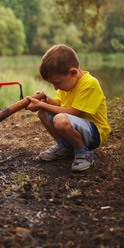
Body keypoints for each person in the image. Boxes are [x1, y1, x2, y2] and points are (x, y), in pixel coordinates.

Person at [26, 44, 110, 172]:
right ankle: (64, 147)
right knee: (43, 113)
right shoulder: (68, 85)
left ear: (73, 72)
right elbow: (59, 103)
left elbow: (73, 112)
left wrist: (42, 104)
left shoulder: (89, 83)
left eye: (57, 83)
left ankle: (85, 153)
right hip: (77, 127)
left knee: (60, 119)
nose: (55, 88)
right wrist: (46, 99)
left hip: (94, 134)